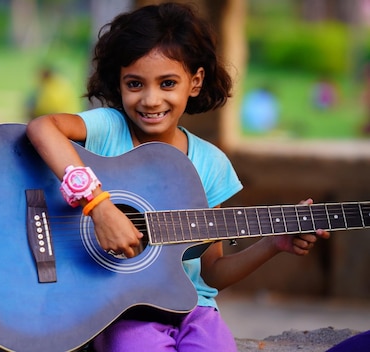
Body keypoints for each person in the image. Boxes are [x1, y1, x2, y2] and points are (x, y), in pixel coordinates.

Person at [26, 3, 330, 351]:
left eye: (167, 83)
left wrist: (273, 245)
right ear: (119, 82)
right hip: (121, 308)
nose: (151, 99)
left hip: (193, 308)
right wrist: (98, 206)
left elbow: (211, 272)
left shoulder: (210, 164)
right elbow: (43, 127)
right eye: (135, 84)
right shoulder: (109, 129)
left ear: (195, 82)